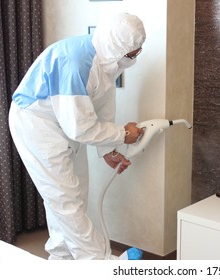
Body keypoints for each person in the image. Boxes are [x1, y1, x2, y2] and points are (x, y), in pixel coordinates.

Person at [8, 12, 146, 260]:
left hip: (65, 122)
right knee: (65, 199)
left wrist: (108, 150)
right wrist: (124, 134)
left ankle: (61, 260)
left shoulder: (107, 59)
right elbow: (81, 128)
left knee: (76, 194)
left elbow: (102, 106)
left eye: (138, 52)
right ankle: (97, 264)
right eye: (132, 54)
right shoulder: (75, 62)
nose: (135, 58)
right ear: (118, 47)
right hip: (37, 123)